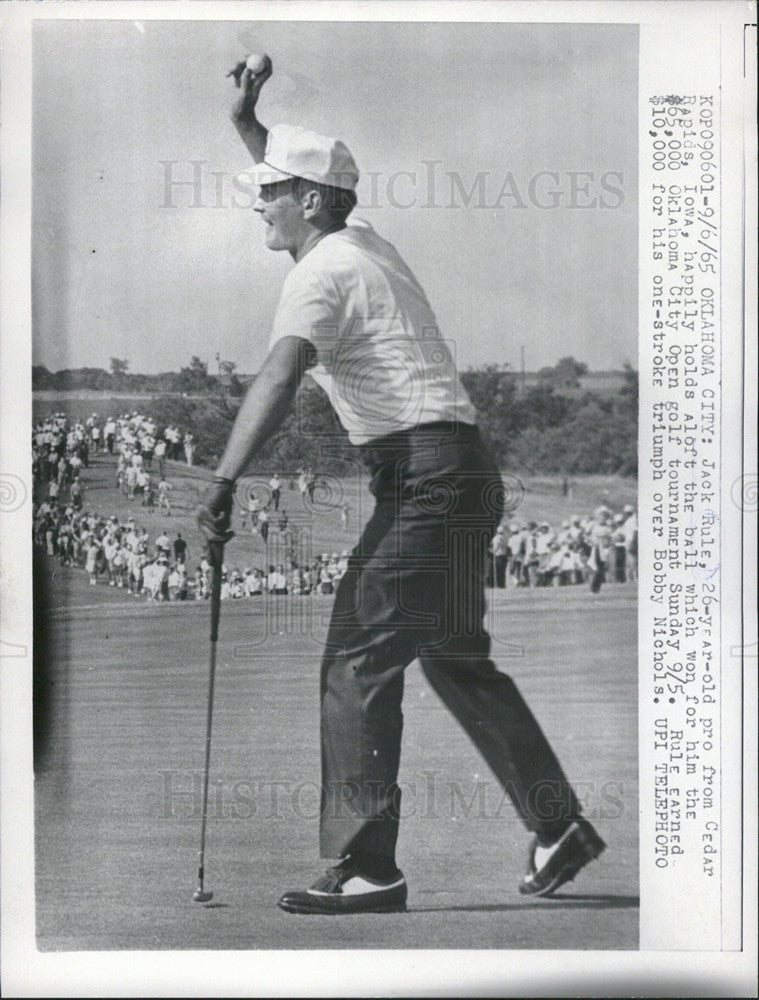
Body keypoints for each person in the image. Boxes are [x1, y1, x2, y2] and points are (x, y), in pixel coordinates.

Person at [198, 57, 604, 915]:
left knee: (357, 654)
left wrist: (226, 476)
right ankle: (556, 823)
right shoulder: (361, 241)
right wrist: (250, 123)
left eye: (268, 190)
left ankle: (363, 866)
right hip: (460, 470)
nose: (255, 202)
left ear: (309, 200)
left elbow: (276, 376)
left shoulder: (319, 273)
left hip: (422, 479)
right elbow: (314, 176)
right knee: (453, 652)